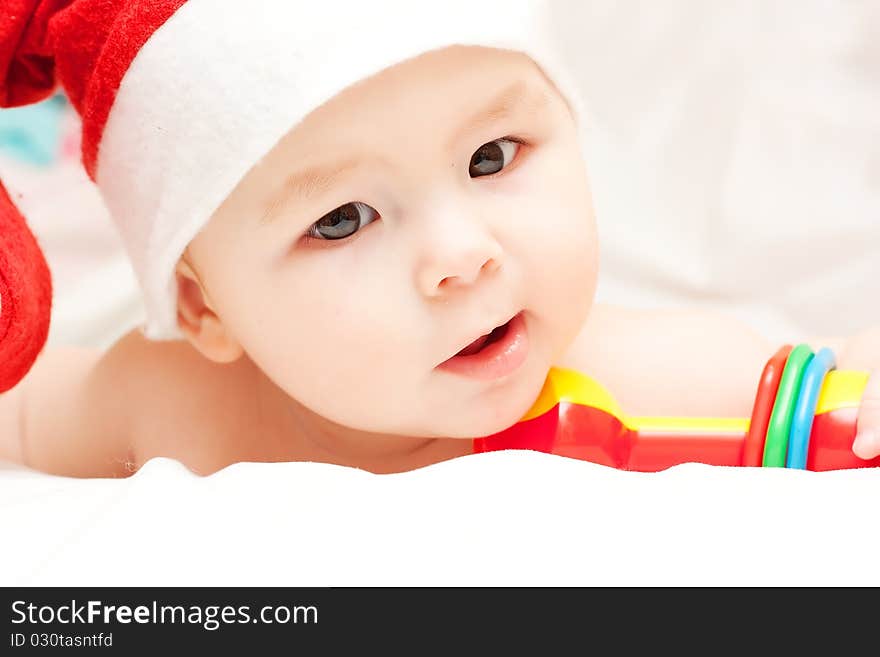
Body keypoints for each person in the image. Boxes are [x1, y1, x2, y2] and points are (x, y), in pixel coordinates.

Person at [0, 0, 877, 477]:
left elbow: (832, 391)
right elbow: (24, 415)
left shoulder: (635, 380)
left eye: (493, 156)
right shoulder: (166, 404)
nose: (464, 254)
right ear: (201, 306)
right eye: (341, 220)